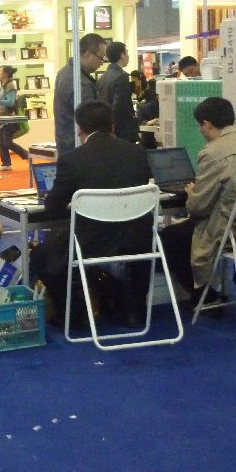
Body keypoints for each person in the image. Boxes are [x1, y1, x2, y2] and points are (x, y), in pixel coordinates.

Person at [30, 100, 154, 327]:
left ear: (80, 129)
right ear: (112, 125)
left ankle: (74, 313)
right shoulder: (138, 153)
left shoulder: (72, 160)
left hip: (92, 243)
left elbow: (53, 207)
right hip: (138, 239)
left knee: (41, 254)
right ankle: (135, 310)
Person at [160, 97, 236, 308]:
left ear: (207, 124)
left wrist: (192, 194)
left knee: (171, 236)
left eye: (200, 126)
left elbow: (198, 209)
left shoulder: (213, 153)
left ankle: (205, 296)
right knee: (233, 209)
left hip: (233, 231)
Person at [53, 33, 107, 153]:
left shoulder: (65, 72)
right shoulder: (79, 81)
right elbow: (91, 119)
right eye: (101, 57)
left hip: (68, 142)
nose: (102, 62)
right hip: (79, 145)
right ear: (87, 54)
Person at [96, 41, 137, 143]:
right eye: (126, 53)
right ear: (122, 55)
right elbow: (120, 106)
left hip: (105, 127)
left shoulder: (102, 77)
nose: (128, 56)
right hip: (121, 131)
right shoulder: (122, 76)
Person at [0, 65, 28, 172]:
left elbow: (10, 102)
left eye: (0, 71)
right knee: (1, 142)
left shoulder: (10, 85)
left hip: (9, 118)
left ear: (5, 74)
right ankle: (6, 164)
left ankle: (26, 155)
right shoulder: (3, 85)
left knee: (6, 142)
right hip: (2, 118)